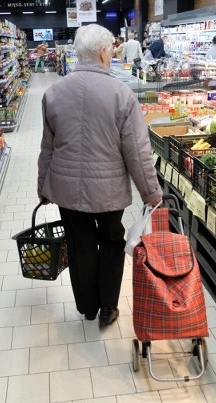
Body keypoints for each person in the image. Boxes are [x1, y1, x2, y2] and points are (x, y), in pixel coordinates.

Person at [37, 24, 163, 327]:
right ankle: (108, 307)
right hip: (109, 191)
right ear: (104, 51)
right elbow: (137, 150)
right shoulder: (121, 93)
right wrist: (151, 192)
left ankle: (87, 306)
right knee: (110, 242)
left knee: (80, 245)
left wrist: (43, 186)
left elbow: (47, 146)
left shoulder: (54, 92)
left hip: (67, 189)